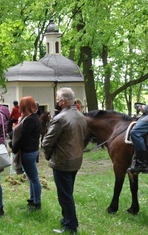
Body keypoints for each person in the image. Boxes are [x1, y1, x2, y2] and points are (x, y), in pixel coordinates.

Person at [42, 87, 86, 234]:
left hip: (62, 162)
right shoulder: (80, 115)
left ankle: (70, 226)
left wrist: (49, 155)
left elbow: (46, 142)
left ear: (62, 101)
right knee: (68, 192)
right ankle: (66, 218)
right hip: (76, 160)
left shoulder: (60, 118)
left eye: (57, 98)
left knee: (65, 195)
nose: (56, 101)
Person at [10, 96, 42, 212]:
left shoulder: (30, 120)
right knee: (31, 178)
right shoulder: (33, 118)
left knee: (34, 178)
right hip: (32, 151)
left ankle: (36, 203)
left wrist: (14, 148)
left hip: (28, 152)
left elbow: (23, 138)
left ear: (24, 107)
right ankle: (33, 199)